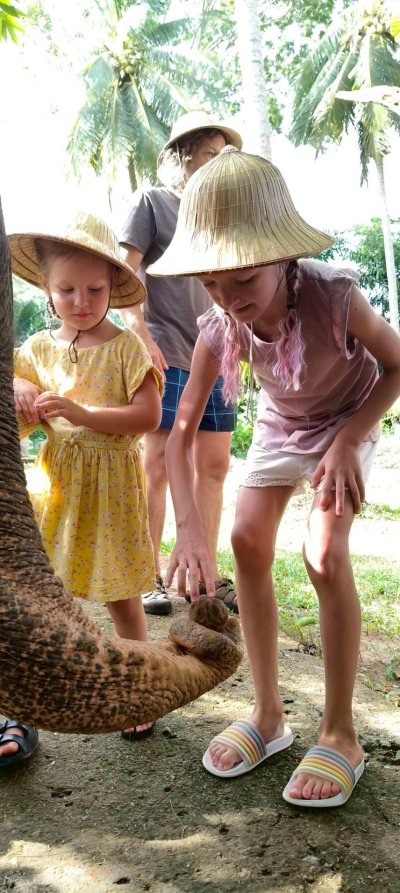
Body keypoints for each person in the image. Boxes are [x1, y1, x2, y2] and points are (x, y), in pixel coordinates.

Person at [147, 146, 400, 807]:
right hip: (284, 426)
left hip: (346, 419)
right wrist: (189, 530)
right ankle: (267, 716)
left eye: (244, 281)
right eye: (211, 284)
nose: (229, 301)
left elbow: (398, 365)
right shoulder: (217, 326)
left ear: (285, 257)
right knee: (248, 540)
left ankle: (341, 732)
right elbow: (180, 431)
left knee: (324, 553)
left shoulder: (335, 296)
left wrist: (348, 440)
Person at [2, 211, 163, 771]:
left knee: (121, 595)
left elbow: (147, 414)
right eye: (66, 289)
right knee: (41, 595)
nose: (80, 300)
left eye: (94, 289)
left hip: (112, 488)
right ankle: (26, 699)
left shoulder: (126, 348)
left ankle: (141, 685)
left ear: (113, 288)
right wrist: (21, 388)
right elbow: (17, 413)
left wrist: (81, 411)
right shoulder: (37, 350)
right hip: (57, 489)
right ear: (46, 289)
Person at [118, 111, 242, 616]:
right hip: (165, 350)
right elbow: (124, 271)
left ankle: (202, 578)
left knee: (213, 465)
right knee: (158, 463)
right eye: (211, 155)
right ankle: (146, 574)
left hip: (218, 352)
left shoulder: (220, 217)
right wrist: (139, 332)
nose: (217, 165)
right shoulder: (152, 202)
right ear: (184, 154)